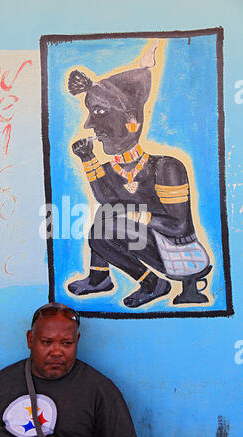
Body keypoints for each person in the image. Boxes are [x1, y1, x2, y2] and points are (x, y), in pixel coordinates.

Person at [67, 42, 211, 307]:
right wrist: (88, 159)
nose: (89, 123)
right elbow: (105, 200)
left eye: (99, 112)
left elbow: (178, 226)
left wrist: (132, 216)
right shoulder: (114, 168)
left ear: (131, 119)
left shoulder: (167, 167)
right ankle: (100, 277)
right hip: (147, 240)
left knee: (106, 225)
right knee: (105, 216)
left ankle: (153, 283)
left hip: (176, 250)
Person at [0, 303, 141, 437]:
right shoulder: (4, 380)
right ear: (30, 339)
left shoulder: (99, 390)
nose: (57, 352)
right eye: (47, 342)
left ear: (77, 341)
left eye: (67, 343)